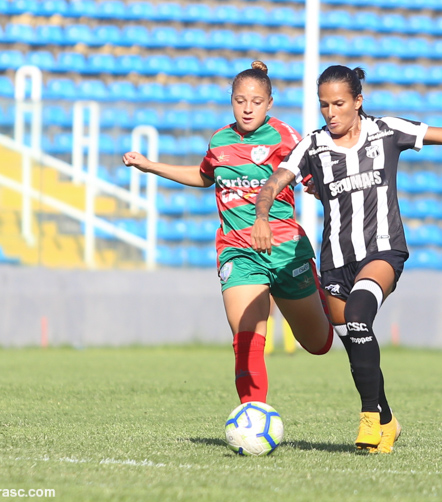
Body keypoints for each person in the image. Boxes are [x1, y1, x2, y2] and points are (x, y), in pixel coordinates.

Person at [252, 65, 442, 453]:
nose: (331, 113)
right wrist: (261, 216)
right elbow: (274, 181)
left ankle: (369, 418)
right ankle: (389, 421)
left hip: (382, 252)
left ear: (358, 101)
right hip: (335, 262)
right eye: (324, 105)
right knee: (356, 345)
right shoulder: (313, 146)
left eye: (339, 103)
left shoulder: (386, 131)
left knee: (359, 317)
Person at [123, 61, 333, 406]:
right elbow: (206, 177)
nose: (247, 108)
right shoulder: (220, 140)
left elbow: (314, 178)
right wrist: (150, 165)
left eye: (256, 101)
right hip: (238, 251)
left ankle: (320, 292)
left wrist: (319, 188)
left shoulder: (286, 137)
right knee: (248, 338)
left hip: (285, 251)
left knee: (318, 344)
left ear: (269, 104)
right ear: (232, 101)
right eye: (240, 100)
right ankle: (253, 414)